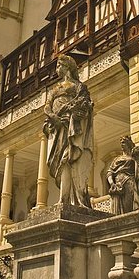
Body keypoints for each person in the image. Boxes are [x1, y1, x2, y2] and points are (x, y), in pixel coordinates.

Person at [43, 54, 93, 207]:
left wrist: (75, 113)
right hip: (57, 126)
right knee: (60, 162)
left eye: (59, 66)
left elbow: (85, 105)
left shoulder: (79, 86)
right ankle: (64, 198)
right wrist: (54, 118)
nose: (57, 69)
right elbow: (47, 107)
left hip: (71, 126)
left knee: (67, 159)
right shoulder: (55, 89)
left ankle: (66, 199)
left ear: (67, 68)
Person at [107, 136, 139, 215]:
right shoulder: (116, 159)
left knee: (128, 208)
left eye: (124, 142)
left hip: (129, 183)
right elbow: (110, 172)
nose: (122, 144)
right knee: (117, 210)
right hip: (118, 185)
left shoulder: (133, 158)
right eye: (121, 142)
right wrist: (112, 183)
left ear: (128, 143)